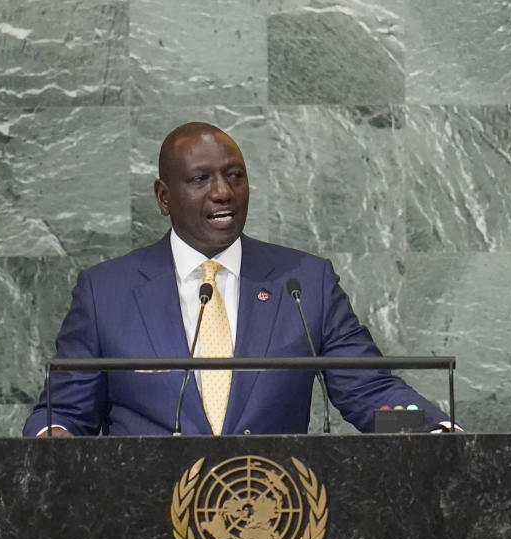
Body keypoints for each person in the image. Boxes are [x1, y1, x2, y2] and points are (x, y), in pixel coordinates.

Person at [23, 122, 452, 437]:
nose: (223, 192)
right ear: (163, 197)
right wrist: (52, 435)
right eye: (199, 179)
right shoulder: (106, 292)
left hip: (277, 523)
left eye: (234, 175)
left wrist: (435, 432)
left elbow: (368, 388)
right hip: (145, 526)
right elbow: (64, 412)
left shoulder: (303, 283)